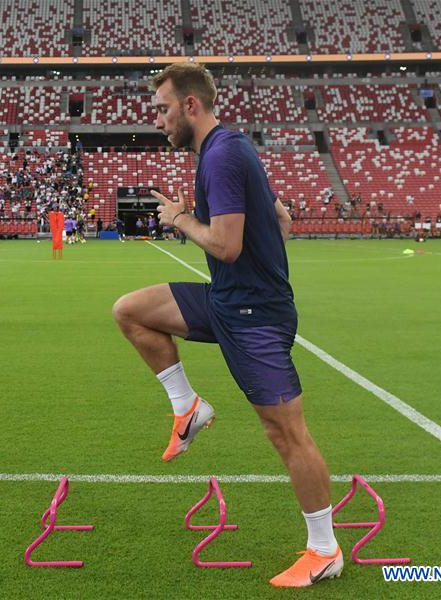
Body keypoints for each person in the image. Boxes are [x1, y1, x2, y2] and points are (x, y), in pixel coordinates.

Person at [111, 62, 341, 588]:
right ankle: (188, 406)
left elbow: (226, 245)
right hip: (229, 300)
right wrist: (254, 266)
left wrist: (181, 220)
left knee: (286, 433)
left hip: (254, 317)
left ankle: (325, 551)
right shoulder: (228, 150)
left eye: (164, 109)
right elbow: (280, 222)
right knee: (131, 310)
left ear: (191, 105)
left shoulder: (221, 155)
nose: (160, 121)